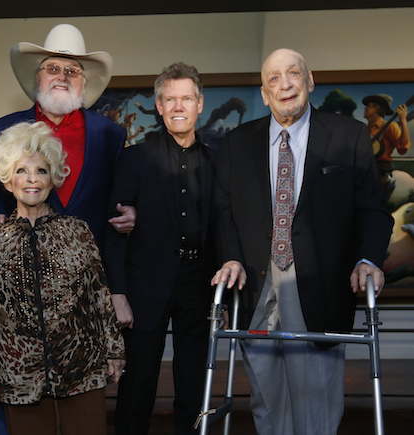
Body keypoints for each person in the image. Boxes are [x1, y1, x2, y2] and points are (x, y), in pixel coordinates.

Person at [212, 48, 393, 435]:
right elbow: (223, 209)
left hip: (318, 286)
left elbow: (373, 209)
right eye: (273, 78)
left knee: (315, 401)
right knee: (266, 400)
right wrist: (231, 257)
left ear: (310, 81)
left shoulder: (349, 135)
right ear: (264, 93)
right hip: (257, 287)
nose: (285, 84)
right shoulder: (237, 143)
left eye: (293, 73)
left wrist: (368, 259)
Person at [104, 62, 243, 434]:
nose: (178, 106)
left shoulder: (219, 163)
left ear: (199, 104)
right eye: (170, 99)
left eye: (186, 99)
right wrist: (117, 293)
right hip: (145, 287)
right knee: (137, 387)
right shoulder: (135, 159)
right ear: (159, 106)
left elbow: (225, 229)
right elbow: (114, 230)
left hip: (201, 286)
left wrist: (224, 300)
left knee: (195, 386)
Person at [0, 121, 125, 435]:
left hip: (81, 367)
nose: (31, 180)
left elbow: (99, 296)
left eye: (40, 171)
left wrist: (115, 350)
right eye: (21, 171)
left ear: (53, 177)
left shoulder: (77, 230)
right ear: (7, 179)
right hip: (19, 371)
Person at [0, 23, 133, 245]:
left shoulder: (111, 135)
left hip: (92, 263)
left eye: (72, 71)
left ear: (83, 83)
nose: (62, 77)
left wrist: (132, 213)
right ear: (37, 77)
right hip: (23, 261)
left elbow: (122, 197)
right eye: (52, 69)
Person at [363, 93, 411, 179]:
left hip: (380, 173)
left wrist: (403, 121)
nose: (365, 108)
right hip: (364, 171)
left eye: (369, 105)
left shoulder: (391, 127)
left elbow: (402, 148)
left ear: (377, 108)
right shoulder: (364, 129)